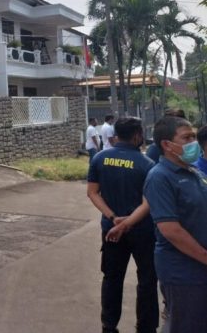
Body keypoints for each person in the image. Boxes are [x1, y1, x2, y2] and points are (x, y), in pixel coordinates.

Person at [87, 117, 158, 333]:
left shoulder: (99, 158)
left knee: (112, 278)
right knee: (147, 280)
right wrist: (127, 223)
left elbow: (92, 193)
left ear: (116, 134)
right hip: (142, 231)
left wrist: (113, 218)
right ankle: (145, 327)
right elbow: (148, 203)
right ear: (137, 136)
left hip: (111, 230)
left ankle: (109, 326)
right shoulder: (148, 165)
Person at [143, 116, 207, 333]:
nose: (194, 143)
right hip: (183, 271)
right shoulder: (159, 177)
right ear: (167, 145)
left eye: (194, 137)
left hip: (199, 266)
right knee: (186, 325)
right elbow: (171, 230)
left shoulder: (193, 172)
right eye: (187, 138)